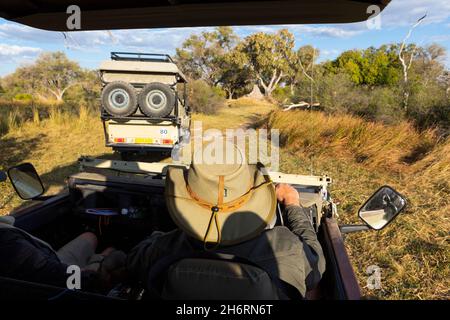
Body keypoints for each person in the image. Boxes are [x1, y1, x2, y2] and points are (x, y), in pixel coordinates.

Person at [127, 143, 325, 299]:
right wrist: (292, 204)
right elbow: (316, 269)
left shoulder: (162, 249)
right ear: (255, 195)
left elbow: (133, 261)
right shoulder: (285, 246)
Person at [0, 215, 125, 293]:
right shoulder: (9, 244)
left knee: (90, 237)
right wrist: (100, 268)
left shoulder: (8, 238)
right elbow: (60, 280)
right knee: (110, 252)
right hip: (60, 280)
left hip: (49, 262)